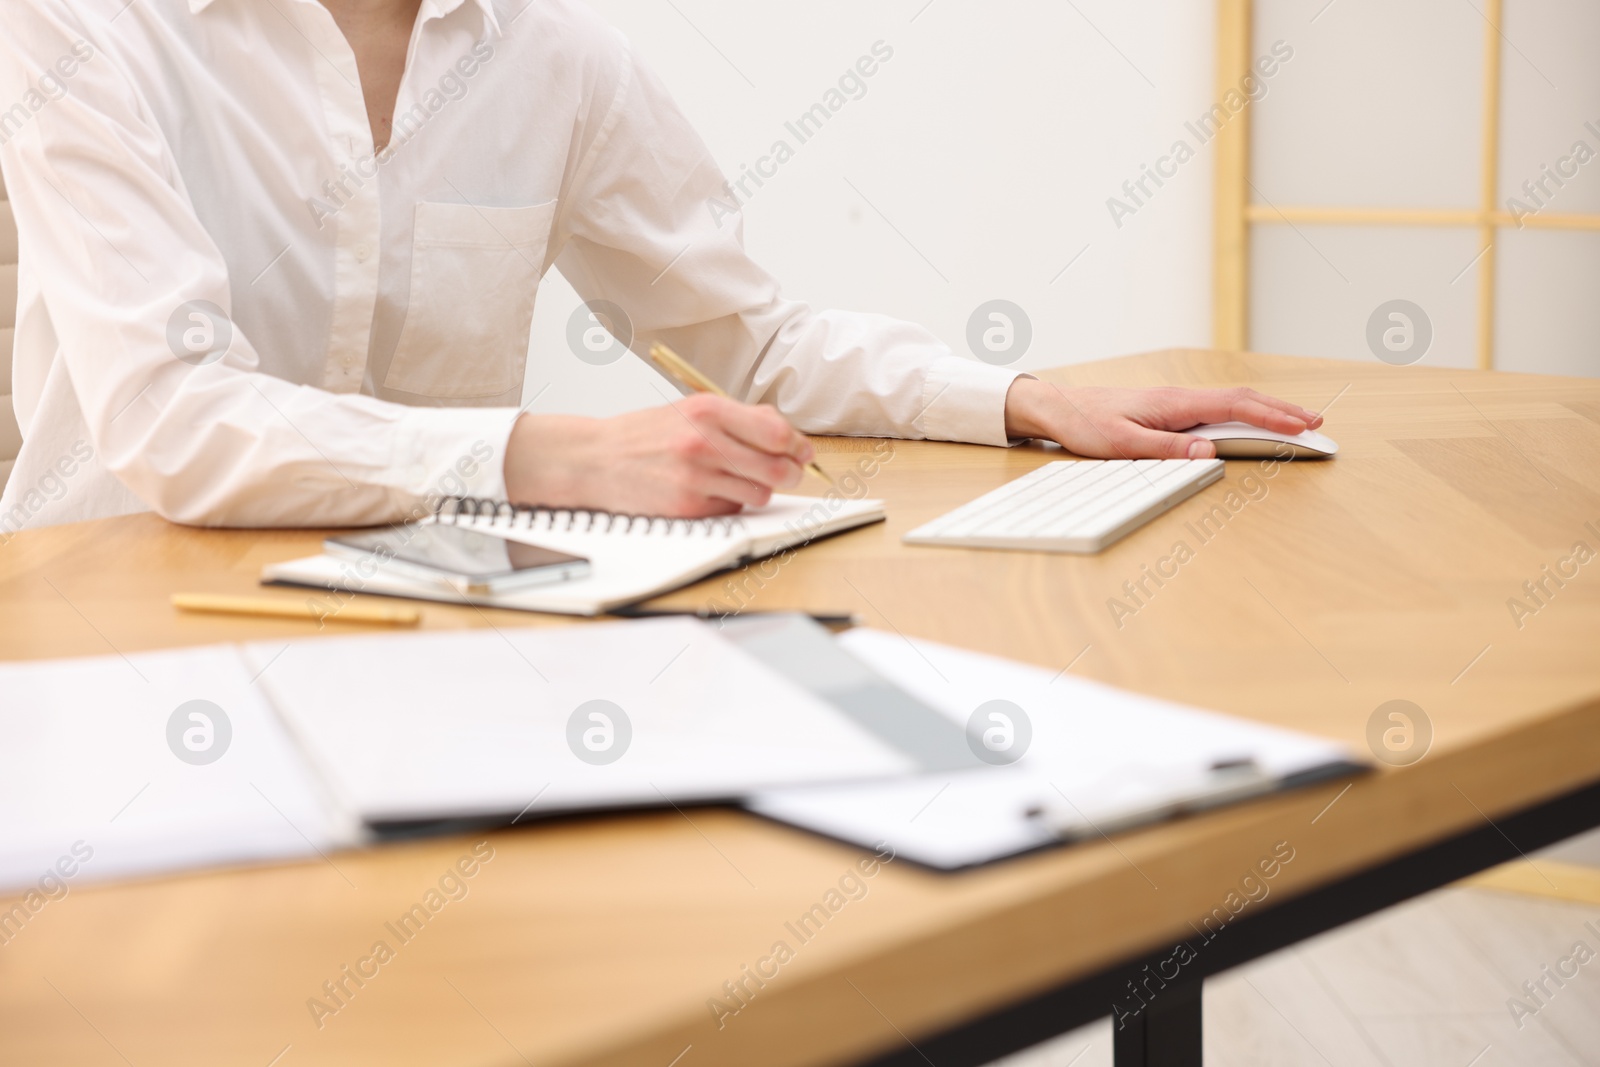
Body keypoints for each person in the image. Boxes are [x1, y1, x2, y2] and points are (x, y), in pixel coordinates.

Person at [0, 0, 1323, 527]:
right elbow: (171, 420)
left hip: (427, 614)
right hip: (109, 622)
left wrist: (1025, 400)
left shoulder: (555, 59)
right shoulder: (79, 27)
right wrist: (562, 456)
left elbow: (742, 339)